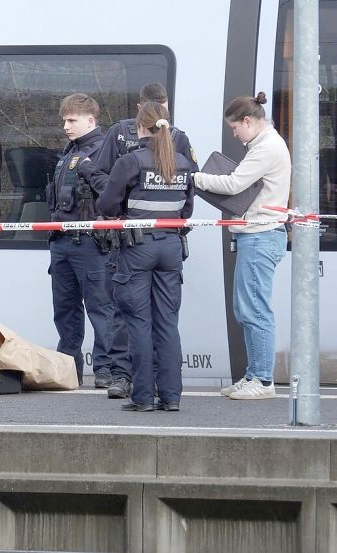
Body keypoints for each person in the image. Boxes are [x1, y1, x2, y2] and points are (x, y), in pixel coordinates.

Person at [84, 82, 199, 400]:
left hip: (136, 247)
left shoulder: (131, 162)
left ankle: (143, 396)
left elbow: (107, 205)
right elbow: (187, 209)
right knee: (167, 321)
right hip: (171, 247)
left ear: (139, 126)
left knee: (135, 319)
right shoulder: (183, 164)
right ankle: (172, 396)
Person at [193, 92, 291, 400]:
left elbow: (234, 184)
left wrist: (196, 178)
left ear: (248, 121)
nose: (234, 134)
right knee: (246, 308)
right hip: (257, 235)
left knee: (254, 310)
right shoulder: (265, 144)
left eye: (235, 128)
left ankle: (262, 381)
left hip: (260, 236)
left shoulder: (266, 148)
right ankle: (252, 374)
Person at [46, 93, 114, 388]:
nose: (66, 126)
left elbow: (110, 195)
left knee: (101, 308)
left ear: (91, 120)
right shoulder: (68, 153)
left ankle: (106, 369)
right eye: (64, 120)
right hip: (62, 241)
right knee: (65, 309)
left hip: (90, 243)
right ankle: (68, 367)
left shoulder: (102, 151)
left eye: (71, 120)